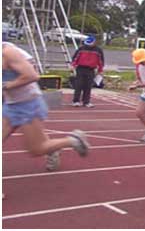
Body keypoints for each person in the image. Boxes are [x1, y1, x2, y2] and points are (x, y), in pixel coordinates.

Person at [2, 42, 90, 174]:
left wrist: (6, 86)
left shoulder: (8, 52)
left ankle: (73, 140)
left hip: (27, 105)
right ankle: (53, 148)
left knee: (36, 149)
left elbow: (32, 76)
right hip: (11, 105)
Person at [71, 35, 104, 108]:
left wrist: (100, 70)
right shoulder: (81, 49)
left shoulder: (98, 50)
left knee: (88, 86)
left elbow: (101, 61)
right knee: (78, 85)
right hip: (80, 68)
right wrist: (72, 66)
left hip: (91, 69)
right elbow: (75, 58)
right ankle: (76, 101)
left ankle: (86, 101)